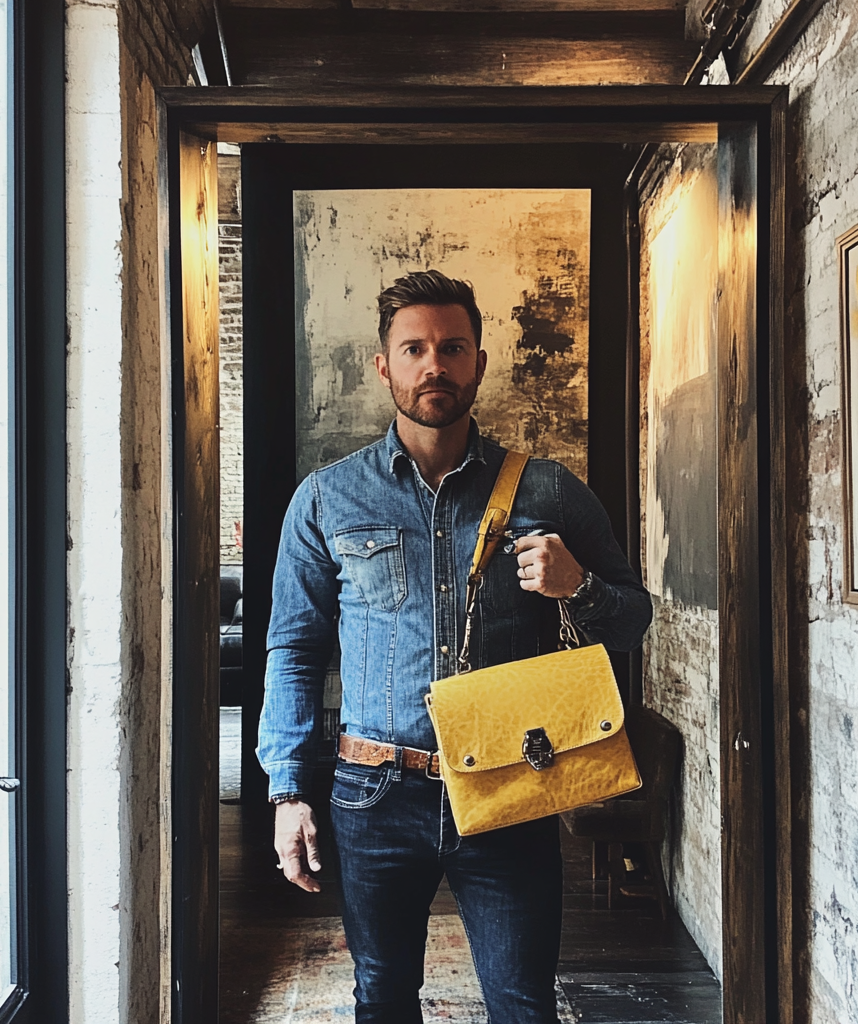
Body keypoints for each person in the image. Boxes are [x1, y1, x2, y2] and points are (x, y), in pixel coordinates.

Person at [257, 269, 652, 1023]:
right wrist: (288, 790)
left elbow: (633, 620)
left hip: (513, 783)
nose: (432, 365)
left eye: (452, 347)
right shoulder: (326, 499)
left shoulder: (550, 492)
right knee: (382, 1001)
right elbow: (294, 649)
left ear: (478, 361)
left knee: (523, 1004)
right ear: (385, 366)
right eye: (414, 349)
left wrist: (577, 586)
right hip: (373, 792)